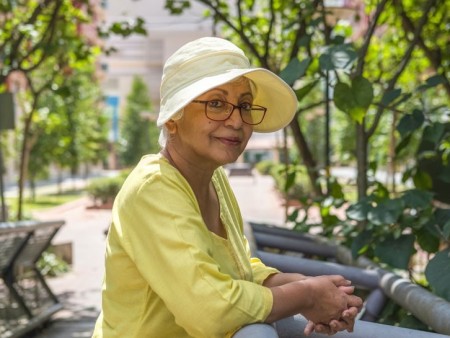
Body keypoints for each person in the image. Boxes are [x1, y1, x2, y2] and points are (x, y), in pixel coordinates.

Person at [92, 37, 362, 338]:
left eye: (245, 105)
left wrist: (313, 288)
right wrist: (307, 295)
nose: (237, 121)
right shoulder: (152, 189)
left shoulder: (214, 179)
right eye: (217, 104)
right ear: (172, 118)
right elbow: (212, 310)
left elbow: (239, 270)